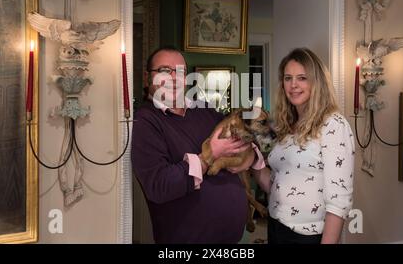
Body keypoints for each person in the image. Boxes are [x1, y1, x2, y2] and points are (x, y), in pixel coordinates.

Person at [131, 47, 265, 244]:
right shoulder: (145, 121)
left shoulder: (203, 109)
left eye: (180, 72)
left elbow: (243, 140)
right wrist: (210, 155)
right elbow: (159, 185)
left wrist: (250, 156)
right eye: (164, 71)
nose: (174, 78)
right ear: (147, 78)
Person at [252, 48, 355, 244]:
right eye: (288, 78)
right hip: (276, 228)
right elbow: (273, 185)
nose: (293, 85)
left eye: (302, 78)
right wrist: (252, 159)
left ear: (317, 83)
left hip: (308, 237)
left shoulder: (333, 124)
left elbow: (338, 202)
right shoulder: (285, 126)